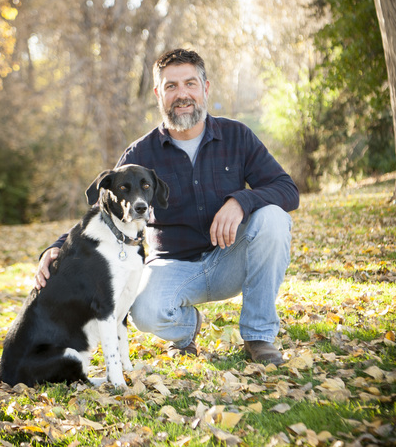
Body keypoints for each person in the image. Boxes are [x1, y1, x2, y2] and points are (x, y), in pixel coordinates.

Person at [35, 48, 299, 365]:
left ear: (205, 88)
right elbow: (105, 214)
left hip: (233, 257)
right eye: (171, 86)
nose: (182, 94)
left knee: (272, 217)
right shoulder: (140, 154)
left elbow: (287, 189)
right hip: (173, 266)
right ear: (159, 93)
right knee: (144, 312)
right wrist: (57, 248)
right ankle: (185, 330)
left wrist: (241, 201)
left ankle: (258, 337)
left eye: (190, 83)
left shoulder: (237, 136)